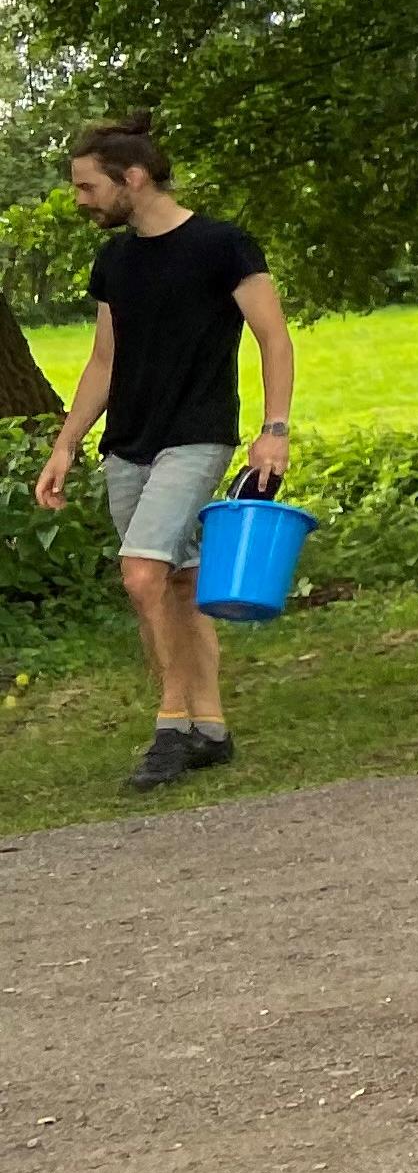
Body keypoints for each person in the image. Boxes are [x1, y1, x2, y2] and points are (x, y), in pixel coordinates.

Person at [31, 117, 295, 794]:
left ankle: (169, 727)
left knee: (141, 576)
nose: (82, 199)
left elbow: (273, 338)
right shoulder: (115, 261)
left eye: (89, 186)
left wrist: (275, 428)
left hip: (198, 434)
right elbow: (102, 360)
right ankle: (209, 727)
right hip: (128, 442)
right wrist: (66, 444)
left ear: (134, 177)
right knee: (175, 585)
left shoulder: (222, 245)